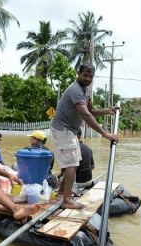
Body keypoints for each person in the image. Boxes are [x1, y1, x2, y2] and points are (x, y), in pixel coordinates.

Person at [51, 63, 119, 209]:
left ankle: (63, 192)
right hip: (63, 129)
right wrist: (105, 134)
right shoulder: (75, 89)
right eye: (85, 75)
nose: (88, 78)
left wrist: (108, 110)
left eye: (91, 76)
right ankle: (67, 200)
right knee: (72, 163)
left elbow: (91, 110)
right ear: (79, 74)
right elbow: (85, 114)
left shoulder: (86, 90)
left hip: (71, 131)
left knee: (74, 161)